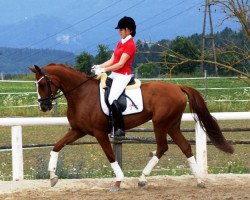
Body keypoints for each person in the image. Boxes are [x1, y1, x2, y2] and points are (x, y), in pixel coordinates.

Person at [92, 16, 136, 137]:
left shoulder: (130, 44)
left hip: (123, 75)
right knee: (101, 91)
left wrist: (103, 70)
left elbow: (121, 64)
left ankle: (120, 128)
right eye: (120, 29)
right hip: (115, 74)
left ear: (129, 30)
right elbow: (112, 60)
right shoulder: (120, 43)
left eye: (122, 29)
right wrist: (98, 66)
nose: (119, 31)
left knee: (112, 98)